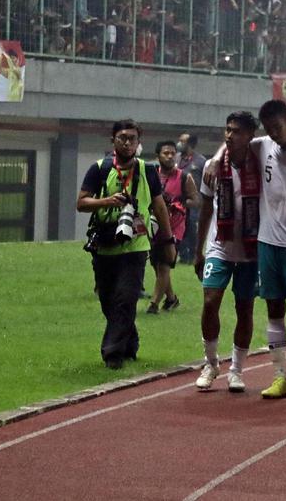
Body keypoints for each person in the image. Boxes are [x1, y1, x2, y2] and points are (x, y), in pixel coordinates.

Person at [206, 100, 286, 398]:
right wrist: (215, 159)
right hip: (267, 241)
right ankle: (280, 377)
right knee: (273, 307)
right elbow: (232, 143)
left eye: (278, 127)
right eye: (269, 129)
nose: (274, 133)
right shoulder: (263, 146)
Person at [76, 120, 176, 369]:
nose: (127, 143)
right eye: (122, 138)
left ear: (139, 142)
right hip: (105, 244)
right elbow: (82, 203)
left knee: (126, 298)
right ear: (113, 140)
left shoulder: (147, 170)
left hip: (135, 246)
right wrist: (108, 201)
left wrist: (168, 240)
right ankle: (130, 342)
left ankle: (113, 353)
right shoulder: (99, 168)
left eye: (132, 138)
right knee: (108, 300)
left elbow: (159, 206)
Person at [193, 112, 262, 392]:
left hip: (250, 249)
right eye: (227, 130)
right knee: (210, 301)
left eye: (237, 131)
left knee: (244, 308)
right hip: (219, 245)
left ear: (250, 136)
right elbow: (205, 209)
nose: (230, 136)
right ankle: (210, 363)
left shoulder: (261, 161)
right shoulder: (212, 168)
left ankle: (236, 369)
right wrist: (199, 250)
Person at [147, 140, 197, 314]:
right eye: (165, 153)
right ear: (158, 156)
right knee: (156, 263)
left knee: (164, 264)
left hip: (175, 227)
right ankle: (171, 298)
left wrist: (178, 204)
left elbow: (195, 200)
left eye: (172, 153)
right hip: (154, 225)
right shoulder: (151, 174)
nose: (169, 156)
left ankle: (153, 304)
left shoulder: (184, 177)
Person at [177, 132, 207, 262]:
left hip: (195, 200)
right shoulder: (176, 158)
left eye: (182, 141)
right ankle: (183, 255)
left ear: (189, 144)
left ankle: (194, 253)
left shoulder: (200, 161)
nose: (179, 144)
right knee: (180, 226)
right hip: (179, 200)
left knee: (192, 228)